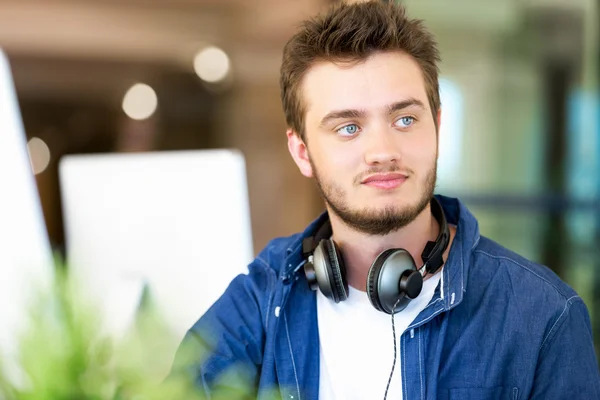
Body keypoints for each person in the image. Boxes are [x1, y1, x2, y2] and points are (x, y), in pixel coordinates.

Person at [169, 1, 600, 399]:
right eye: (348, 127)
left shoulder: (543, 317)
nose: (382, 150)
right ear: (302, 151)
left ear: (437, 126)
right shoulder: (262, 297)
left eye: (405, 118)